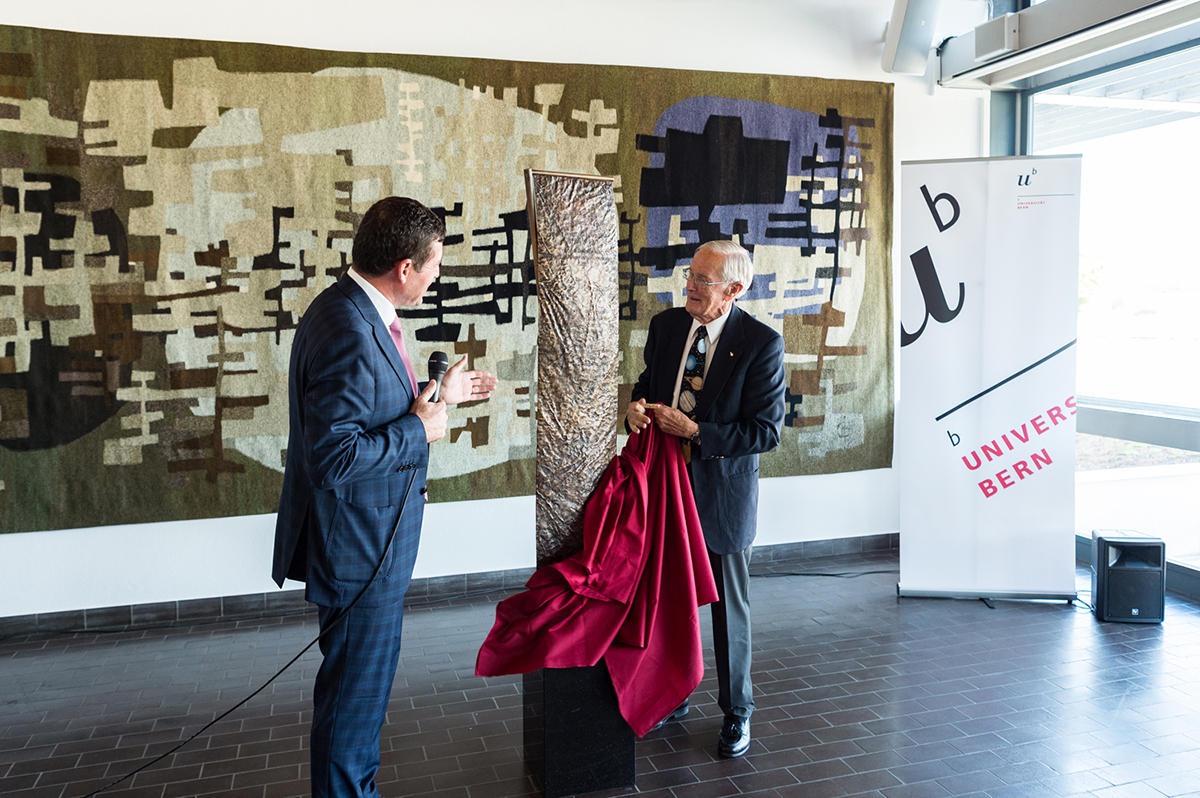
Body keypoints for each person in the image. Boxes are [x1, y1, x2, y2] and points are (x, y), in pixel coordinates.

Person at [272, 196, 496, 798]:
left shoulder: (351, 308)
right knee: (353, 706)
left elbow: (365, 415)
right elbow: (334, 458)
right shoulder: (348, 328)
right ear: (404, 268)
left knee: (359, 700)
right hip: (359, 555)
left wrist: (437, 395)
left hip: (368, 548)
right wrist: (419, 428)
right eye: (435, 267)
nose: (436, 278)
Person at [626, 239, 785, 758]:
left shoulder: (761, 344)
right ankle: (675, 691)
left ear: (735, 290)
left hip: (721, 497)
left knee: (727, 610)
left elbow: (765, 432)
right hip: (664, 488)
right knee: (669, 597)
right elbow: (649, 384)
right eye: (689, 276)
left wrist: (695, 431)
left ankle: (738, 711)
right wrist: (635, 407)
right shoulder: (667, 327)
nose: (689, 287)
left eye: (702, 281)